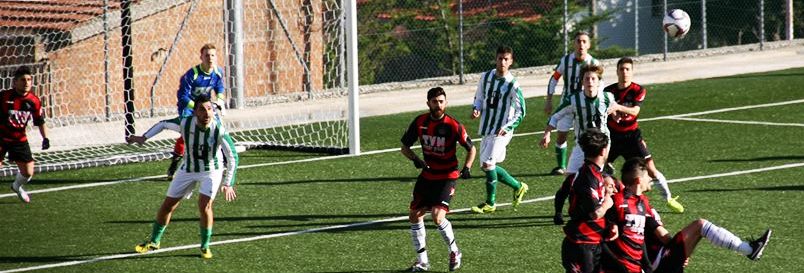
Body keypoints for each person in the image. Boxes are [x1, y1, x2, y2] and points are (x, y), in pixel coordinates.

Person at [127, 96, 238, 259]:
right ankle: (154, 242)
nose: (207, 113)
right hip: (188, 168)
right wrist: (143, 138)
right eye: (202, 109)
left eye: (209, 109)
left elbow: (233, 156)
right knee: (167, 206)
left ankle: (205, 246)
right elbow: (163, 124)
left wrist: (228, 183)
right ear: (195, 113)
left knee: (204, 206)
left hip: (211, 171)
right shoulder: (185, 123)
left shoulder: (218, 130)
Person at [540, 64, 631, 225]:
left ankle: (605, 210)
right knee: (570, 180)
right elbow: (555, 116)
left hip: (602, 146)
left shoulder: (607, 97)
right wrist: (547, 133)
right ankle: (559, 212)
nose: (590, 81)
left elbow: (612, 110)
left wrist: (616, 114)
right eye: (587, 78)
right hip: (581, 146)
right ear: (582, 82)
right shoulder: (573, 99)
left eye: (593, 78)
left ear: (598, 82)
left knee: (596, 179)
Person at [401, 87, 476, 272]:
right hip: (427, 176)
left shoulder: (453, 125)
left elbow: (471, 148)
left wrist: (466, 168)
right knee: (414, 215)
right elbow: (404, 147)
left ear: (446, 103)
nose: (438, 105)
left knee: (436, 216)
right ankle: (422, 261)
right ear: (428, 103)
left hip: (447, 176)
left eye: (441, 101)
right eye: (435, 102)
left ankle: (455, 251)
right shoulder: (420, 122)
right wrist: (416, 160)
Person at [604, 57, 684, 214]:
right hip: (612, 137)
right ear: (617, 72)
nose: (625, 72)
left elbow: (634, 111)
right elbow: (604, 110)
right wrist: (613, 114)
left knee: (651, 169)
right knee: (600, 169)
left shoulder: (638, 90)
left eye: (628, 69)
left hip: (632, 137)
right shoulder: (608, 91)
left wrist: (617, 107)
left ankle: (668, 199)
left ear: (632, 72)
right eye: (622, 69)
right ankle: (606, 200)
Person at [469, 45, 528, 214]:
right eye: (500, 58)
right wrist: (476, 108)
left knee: (488, 164)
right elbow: (479, 97)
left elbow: (521, 111)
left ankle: (490, 203)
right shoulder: (485, 77)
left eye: (506, 59)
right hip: (487, 127)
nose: (502, 62)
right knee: (486, 166)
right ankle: (518, 186)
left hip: (502, 130)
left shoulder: (513, 85)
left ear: (511, 62)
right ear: (495, 59)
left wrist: (508, 126)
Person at [167, 43, 227, 180]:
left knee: (217, 130)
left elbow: (220, 88)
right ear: (201, 57)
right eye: (207, 55)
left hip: (205, 108)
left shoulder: (218, 72)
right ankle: (175, 163)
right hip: (188, 107)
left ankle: (224, 163)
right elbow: (182, 96)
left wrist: (219, 100)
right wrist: (196, 108)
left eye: (212, 55)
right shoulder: (192, 74)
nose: (210, 58)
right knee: (187, 134)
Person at [560, 128, 616, 273]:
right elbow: (595, 213)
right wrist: (607, 203)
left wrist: (611, 224)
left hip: (592, 240)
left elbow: (561, 194)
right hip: (581, 243)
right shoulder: (588, 177)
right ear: (603, 151)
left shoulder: (593, 173)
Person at [544, 31, 600, 176]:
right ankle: (561, 166)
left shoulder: (594, 63)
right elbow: (554, 78)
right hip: (567, 105)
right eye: (578, 41)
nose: (581, 44)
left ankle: (597, 163)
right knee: (561, 134)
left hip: (585, 106)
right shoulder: (566, 61)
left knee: (589, 136)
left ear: (589, 44)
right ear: (574, 43)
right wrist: (549, 100)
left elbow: (601, 84)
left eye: (584, 41)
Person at [0, 65, 50, 203]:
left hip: (19, 140)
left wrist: (45, 138)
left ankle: (16, 186)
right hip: (1, 138)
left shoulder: (34, 101)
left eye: (29, 79)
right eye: (23, 79)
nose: (26, 82)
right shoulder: (4, 97)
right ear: (15, 82)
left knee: (28, 173)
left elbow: (40, 121)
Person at [600, 157, 657, 273]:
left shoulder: (643, 201)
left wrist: (647, 265)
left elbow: (639, 237)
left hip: (636, 268)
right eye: (647, 176)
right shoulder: (617, 201)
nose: (651, 178)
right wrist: (618, 266)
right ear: (639, 180)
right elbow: (601, 239)